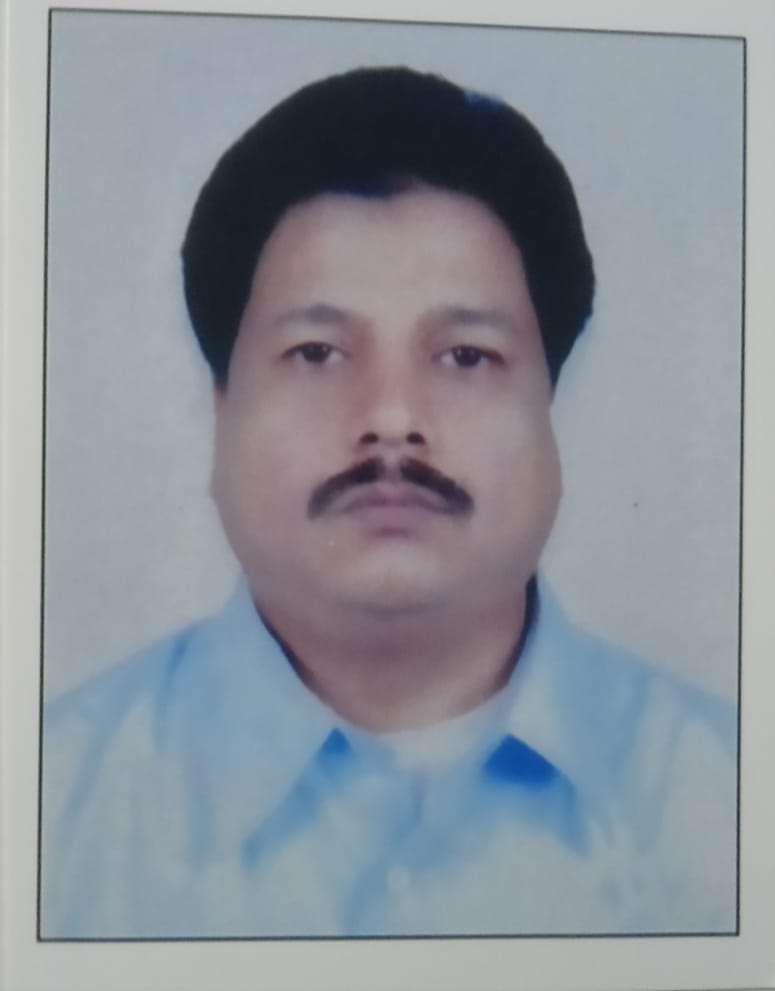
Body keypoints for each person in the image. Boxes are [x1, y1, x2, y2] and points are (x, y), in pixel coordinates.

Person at [41, 66, 737, 939]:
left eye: (465, 356)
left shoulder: (730, 804)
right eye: (317, 353)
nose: (393, 418)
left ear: (551, 406)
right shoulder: (45, 809)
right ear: (219, 407)